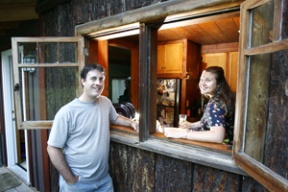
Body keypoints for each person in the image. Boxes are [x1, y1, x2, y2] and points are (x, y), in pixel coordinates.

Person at [47, 64, 138, 192]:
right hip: (78, 184)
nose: (98, 83)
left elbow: (115, 117)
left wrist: (131, 123)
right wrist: (70, 179)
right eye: (93, 78)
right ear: (83, 81)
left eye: (101, 79)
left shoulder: (105, 102)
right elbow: (53, 148)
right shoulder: (67, 112)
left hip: (103, 180)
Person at [164, 66, 235, 144]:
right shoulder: (221, 98)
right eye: (201, 79)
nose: (202, 83)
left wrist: (184, 134)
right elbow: (210, 121)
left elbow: (217, 136)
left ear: (218, 84)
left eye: (208, 80)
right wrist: (191, 125)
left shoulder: (215, 104)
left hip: (220, 150)